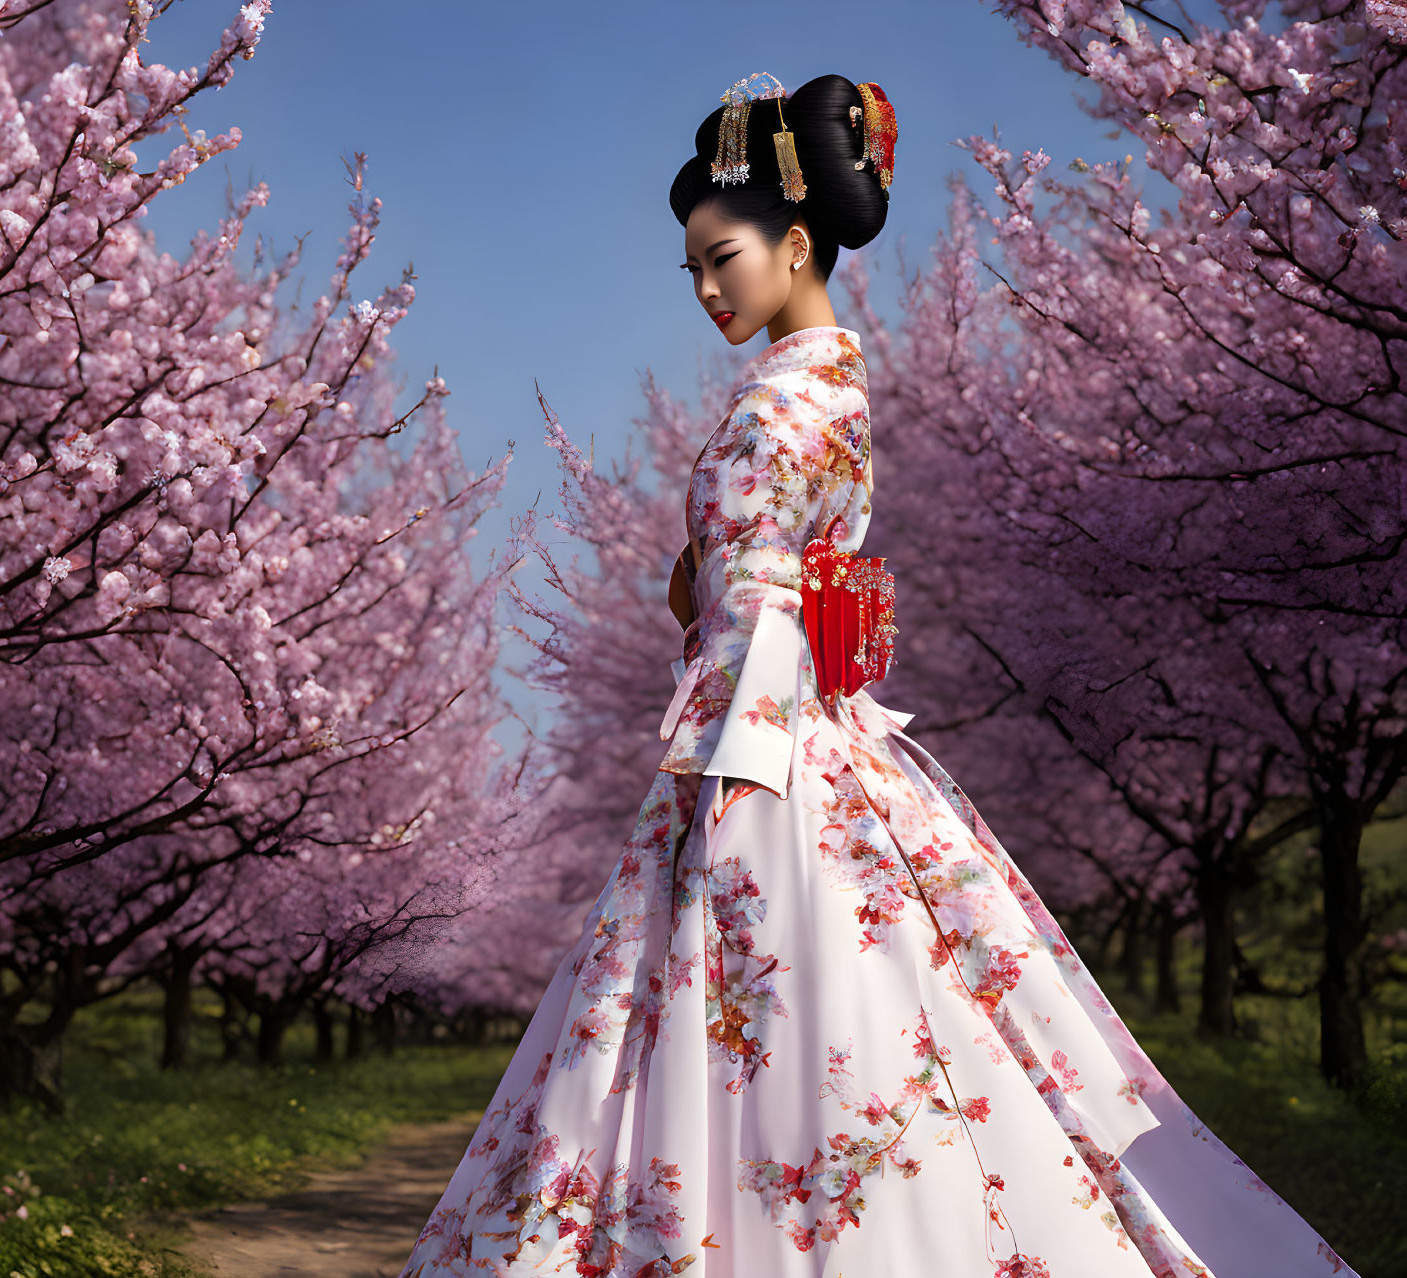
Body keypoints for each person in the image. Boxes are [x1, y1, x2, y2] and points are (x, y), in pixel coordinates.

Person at [398, 72, 1361, 1278]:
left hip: (762, 750)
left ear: (795, 242)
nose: (704, 289)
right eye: (689, 268)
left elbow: (745, 614)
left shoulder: (765, 417)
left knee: (739, 1029)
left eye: (721, 258)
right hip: (838, 743)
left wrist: (712, 735)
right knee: (905, 1036)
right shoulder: (840, 394)